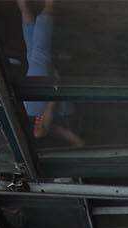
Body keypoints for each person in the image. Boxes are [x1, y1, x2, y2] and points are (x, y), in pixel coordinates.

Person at [17, 0, 83, 147]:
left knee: (38, 55)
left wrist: (54, 95)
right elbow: (79, 143)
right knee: (35, 54)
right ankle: (25, 6)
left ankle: (48, 5)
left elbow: (39, 133)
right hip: (51, 110)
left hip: (41, 108)